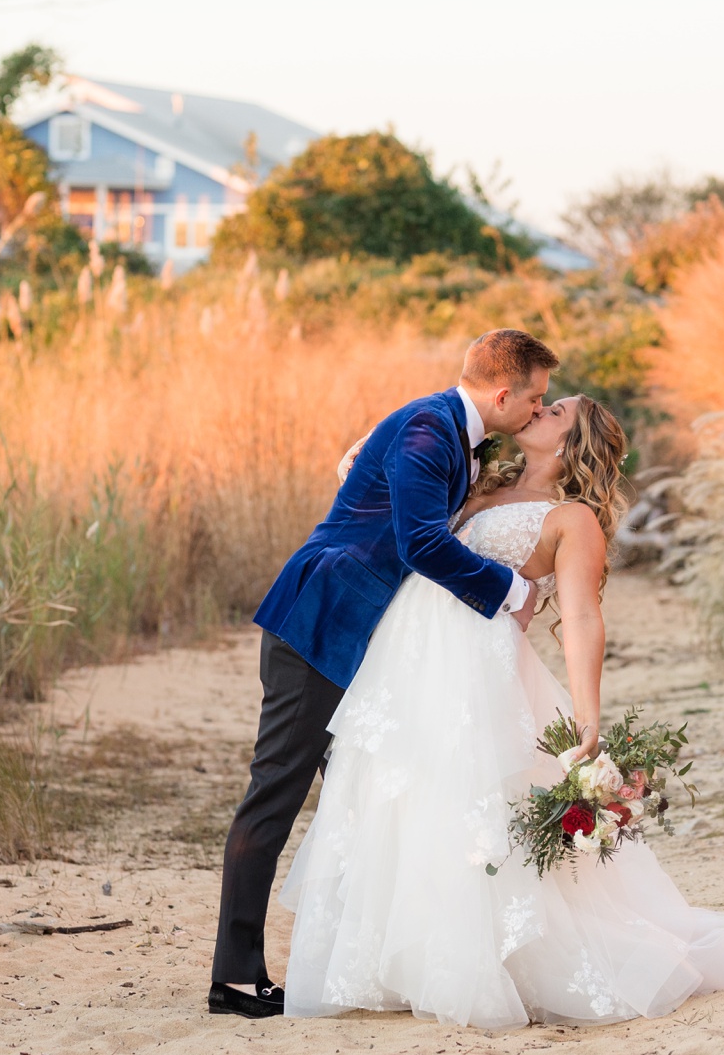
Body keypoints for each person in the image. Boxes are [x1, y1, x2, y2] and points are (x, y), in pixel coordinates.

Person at [278, 392, 724, 1028]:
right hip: (408, 659)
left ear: (575, 443)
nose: (540, 410)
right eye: (542, 401)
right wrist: (364, 457)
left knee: (473, 809)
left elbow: (582, 619)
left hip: (479, 675)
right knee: (403, 798)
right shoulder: (478, 483)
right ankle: (401, 961)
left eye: (557, 410)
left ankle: (477, 964)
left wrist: (589, 724)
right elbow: (406, 515)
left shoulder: (572, 520)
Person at [209, 329, 556, 1018]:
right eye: (536, 397)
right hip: (318, 622)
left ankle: (348, 968)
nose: (538, 410)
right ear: (502, 393)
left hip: (361, 640)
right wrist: (512, 592)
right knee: (275, 791)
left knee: (357, 800)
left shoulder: (448, 431)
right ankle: (233, 976)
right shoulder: (432, 427)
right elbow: (419, 541)